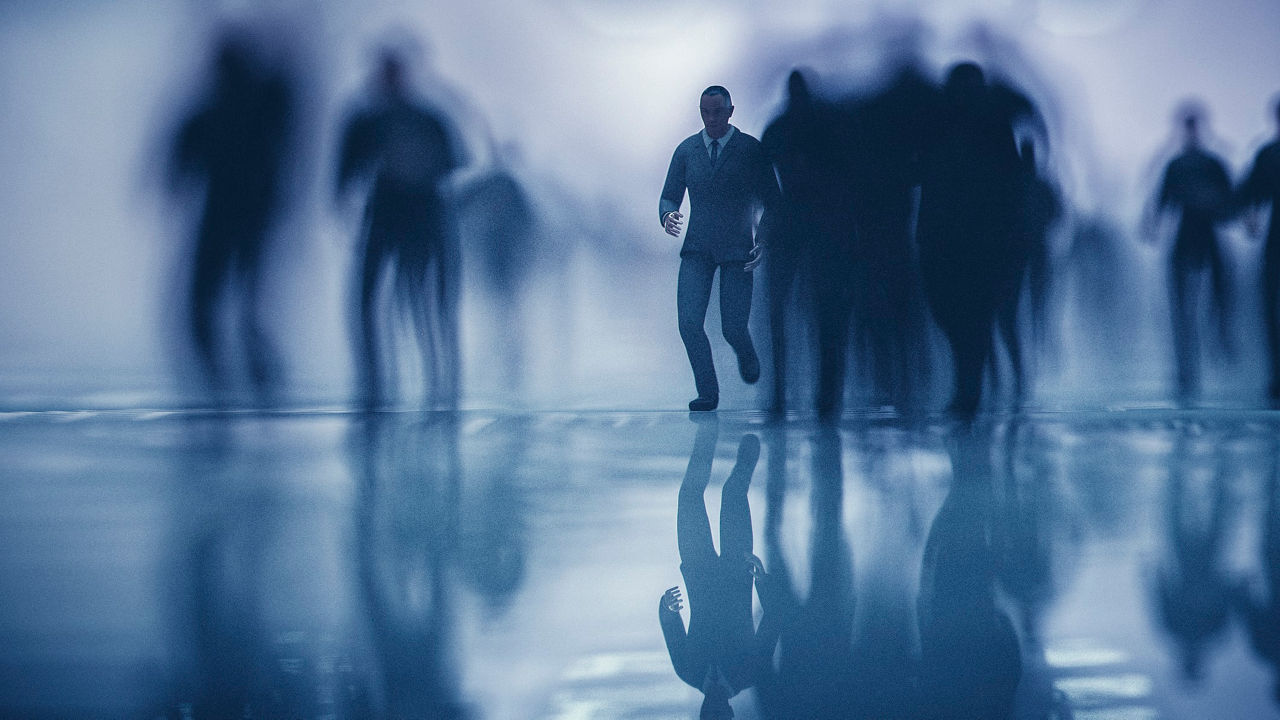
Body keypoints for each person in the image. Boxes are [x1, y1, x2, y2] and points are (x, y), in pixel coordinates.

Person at [336, 45, 466, 409]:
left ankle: (435, 370)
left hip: (421, 216)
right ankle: (376, 372)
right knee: (369, 294)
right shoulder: (369, 120)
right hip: (390, 215)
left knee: (424, 300)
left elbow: (454, 162)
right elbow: (345, 170)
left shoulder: (425, 118)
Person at [169, 31, 295, 407]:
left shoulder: (225, 110)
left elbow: (184, 156)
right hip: (247, 215)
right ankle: (243, 380)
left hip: (231, 214)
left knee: (213, 304)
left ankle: (226, 382)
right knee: (239, 303)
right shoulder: (254, 109)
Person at [660, 86, 781, 411]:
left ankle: (745, 351)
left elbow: (773, 201)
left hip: (738, 249)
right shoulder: (687, 151)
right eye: (706, 112)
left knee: (733, 326)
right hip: (697, 247)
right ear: (701, 112)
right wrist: (668, 215)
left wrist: (764, 239)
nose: (711, 119)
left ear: (730, 112)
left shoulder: (749, 150)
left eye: (718, 112)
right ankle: (707, 392)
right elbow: (670, 194)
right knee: (688, 323)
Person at [660, 423, 781, 719]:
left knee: (689, 496)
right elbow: (775, 618)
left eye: (707, 715)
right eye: (718, 714)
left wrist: (667, 606)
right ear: (728, 712)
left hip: (698, 569)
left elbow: (670, 624)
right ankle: (744, 454)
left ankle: (706, 436)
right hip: (736, 573)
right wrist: (762, 581)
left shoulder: (688, 671)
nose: (712, 708)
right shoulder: (750, 672)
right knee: (733, 493)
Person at [1151, 101, 1235, 402]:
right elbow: (1161, 204)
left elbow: (1229, 205)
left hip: (1200, 237)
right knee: (1185, 307)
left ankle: (1211, 345)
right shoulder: (1185, 165)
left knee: (1212, 299)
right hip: (1191, 237)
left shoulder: (1200, 164)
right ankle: (1188, 364)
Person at [1236, 96, 1280, 401]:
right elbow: (1250, 196)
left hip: (1275, 239)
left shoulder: (1267, 154)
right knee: (1269, 305)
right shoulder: (1267, 154)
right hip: (1275, 238)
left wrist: (1250, 216)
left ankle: (1277, 374)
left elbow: (1249, 196)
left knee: (1270, 306)